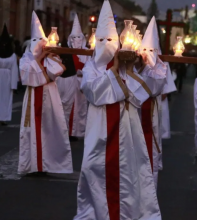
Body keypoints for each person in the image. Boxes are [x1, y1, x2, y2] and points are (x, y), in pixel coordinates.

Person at [74, 1, 161, 219]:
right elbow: (93, 92)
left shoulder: (126, 69)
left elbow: (141, 93)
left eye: (110, 40)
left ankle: (127, 212)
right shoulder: (91, 67)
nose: (106, 45)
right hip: (99, 125)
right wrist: (113, 71)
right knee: (94, 168)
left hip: (125, 126)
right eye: (101, 40)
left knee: (127, 170)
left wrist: (130, 69)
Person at [18, 11, 73, 175]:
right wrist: (39, 59)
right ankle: (32, 164)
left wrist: (47, 60)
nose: (37, 44)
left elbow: (56, 72)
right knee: (31, 130)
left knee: (49, 128)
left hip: (49, 96)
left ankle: (48, 163)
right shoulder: (26, 59)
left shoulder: (52, 58)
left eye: (40, 41)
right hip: (32, 96)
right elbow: (27, 77)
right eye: (34, 41)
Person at [137, 16, 167, 187]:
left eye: (152, 50)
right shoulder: (133, 65)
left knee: (149, 149)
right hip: (134, 111)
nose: (149, 54)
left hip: (150, 109)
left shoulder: (161, 67)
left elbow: (154, 87)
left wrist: (146, 67)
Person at [56, 14, 89, 142]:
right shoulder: (67, 51)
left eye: (79, 37)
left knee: (79, 108)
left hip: (80, 82)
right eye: (74, 37)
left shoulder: (86, 52)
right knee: (66, 105)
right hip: (68, 81)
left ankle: (76, 131)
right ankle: (65, 131)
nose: (77, 39)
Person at [0, 24, 19, 126]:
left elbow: (14, 70)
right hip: (2, 77)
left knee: (5, 98)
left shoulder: (9, 55)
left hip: (3, 77)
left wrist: (13, 85)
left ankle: (3, 118)